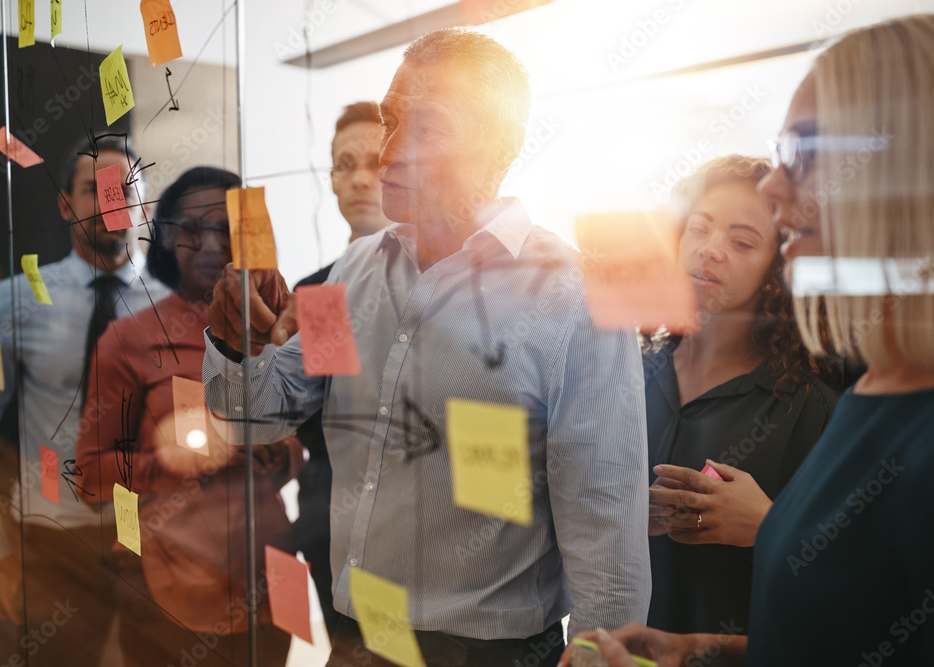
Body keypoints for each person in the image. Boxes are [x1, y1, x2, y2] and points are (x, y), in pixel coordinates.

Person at [204, 28, 651, 667]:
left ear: (497, 146)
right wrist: (232, 341)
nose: (388, 153)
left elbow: (606, 536)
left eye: (426, 127)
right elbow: (264, 410)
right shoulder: (354, 271)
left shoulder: (576, 300)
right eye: (390, 121)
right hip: (363, 643)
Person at [560, 13, 934, 667]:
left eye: (805, 154)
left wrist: (766, 528)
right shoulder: (871, 391)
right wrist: (693, 651)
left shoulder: (829, 398)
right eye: (701, 227)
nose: (774, 186)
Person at [0, 135, 170, 666]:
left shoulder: (175, 311)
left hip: (152, 542)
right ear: (66, 204)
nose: (112, 202)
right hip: (51, 541)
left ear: (145, 207)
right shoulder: (18, 300)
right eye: (95, 190)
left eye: (126, 190)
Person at [75, 167, 296, 667]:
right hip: (170, 594)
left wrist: (282, 454)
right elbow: (89, 478)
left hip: (269, 588)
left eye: (228, 229)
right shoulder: (129, 339)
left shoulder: (280, 327)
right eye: (192, 230)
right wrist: (172, 461)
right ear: (167, 239)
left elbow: (318, 453)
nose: (213, 244)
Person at [643, 155, 837, 634]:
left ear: (777, 269)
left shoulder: (810, 408)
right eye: (699, 228)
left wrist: (768, 527)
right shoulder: (627, 372)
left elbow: (858, 585)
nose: (709, 250)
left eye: (742, 242)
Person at [294, 100, 393, 638]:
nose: (360, 180)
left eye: (375, 163)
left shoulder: (443, 283)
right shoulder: (320, 291)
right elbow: (323, 420)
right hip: (333, 517)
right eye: (344, 164)